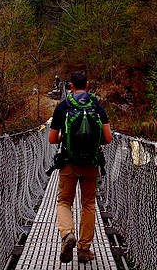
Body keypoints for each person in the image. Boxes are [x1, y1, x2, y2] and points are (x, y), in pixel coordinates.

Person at [48, 71, 112, 263]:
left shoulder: (63, 107)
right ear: (88, 84)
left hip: (69, 163)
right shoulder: (97, 106)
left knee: (64, 202)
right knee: (88, 205)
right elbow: (108, 139)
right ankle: (84, 250)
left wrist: (65, 138)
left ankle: (67, 234)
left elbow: (52, 139)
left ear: (70, 86)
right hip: (90, 165)